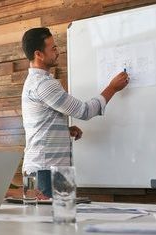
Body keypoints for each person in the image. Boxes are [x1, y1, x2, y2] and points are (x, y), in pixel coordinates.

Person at [21, 27, 129, 175]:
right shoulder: (43, 84)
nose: (57, 52)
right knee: (56, 200)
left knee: (65, 199)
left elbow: (42, 123)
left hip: (51, 169)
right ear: (38, 54)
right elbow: (85, 111)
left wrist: (63, 132)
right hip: (45, 171)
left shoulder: (36, 81)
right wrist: (112, 88)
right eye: (53, 48)